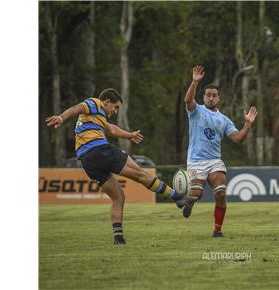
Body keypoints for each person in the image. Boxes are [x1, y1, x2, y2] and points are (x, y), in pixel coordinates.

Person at [45, 88, 196, 245]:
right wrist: (61, 118)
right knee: (141, 174)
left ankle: (118, 238)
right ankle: (178, 197)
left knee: (118, 197)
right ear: (107, 102)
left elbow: (111, 129)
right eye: (115, 107)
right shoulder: (95, 103)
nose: (115, 111)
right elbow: (77, 108)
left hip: (87, 161)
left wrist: (129, 135)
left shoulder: (97, 117)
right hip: (100, 150)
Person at [182, 65, 258, 238]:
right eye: (208, 95)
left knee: (221, 193)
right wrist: (194, 82)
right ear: (203, 97)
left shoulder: (224, 119)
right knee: (197, 193)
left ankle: (217, 230)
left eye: (214, 95)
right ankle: (190, 202)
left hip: (215, 161)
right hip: (196, 160)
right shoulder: (196, 111)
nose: (211, 98)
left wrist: (248, 124)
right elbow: (188, 100)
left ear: (218, 98)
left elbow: (238, 138)